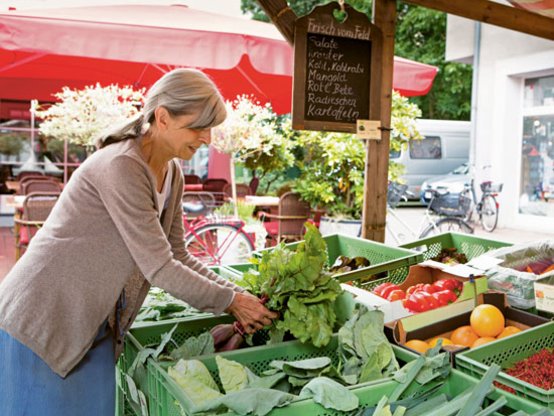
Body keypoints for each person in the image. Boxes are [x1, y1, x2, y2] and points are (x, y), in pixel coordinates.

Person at [0, 69, 277, 415]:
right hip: (44, 318)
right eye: (198, 127)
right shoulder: (122, 166)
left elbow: (177, 254)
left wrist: (238, 295)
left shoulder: (171, 171)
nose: (206, 138)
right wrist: (232, 301)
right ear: (162, 117)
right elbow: (159, 267)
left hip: (93, 321)